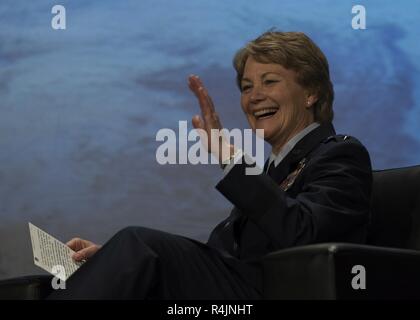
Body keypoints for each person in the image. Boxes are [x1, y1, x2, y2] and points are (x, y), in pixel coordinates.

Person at [47, 30, 372, 299]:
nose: (254, 96)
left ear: (311, 93)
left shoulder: (340, 154)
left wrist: (231, 159)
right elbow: (221, 259)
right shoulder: (273, 171)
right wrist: (120, 265)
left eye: (269, 81)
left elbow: (304, 235)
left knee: (140, 243)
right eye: (247, 87)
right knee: (132, 256)